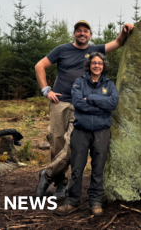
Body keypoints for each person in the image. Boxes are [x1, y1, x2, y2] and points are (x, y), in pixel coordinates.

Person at [34, 20, 133, 199]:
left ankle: (47, 174)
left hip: (81, 105)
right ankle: (60, 184)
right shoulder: (62, 50)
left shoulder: (94, 52)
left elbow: (118, 42)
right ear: (74, 34)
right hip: (59, 102)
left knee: (71, 144)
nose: (82, 33)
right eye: (78, 31)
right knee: (56, 142)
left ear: (90, 35)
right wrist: (46, 90)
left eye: (85, 31)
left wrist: (125, 30)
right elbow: (39, 66)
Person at [55, 52, 118, 216]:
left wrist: (89, 97)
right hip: (81, 131)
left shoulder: (109, 84)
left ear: (104, 66)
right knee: (77, 168)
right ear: (89, 65)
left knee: (98, 168)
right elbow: (77, 103)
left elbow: (113, 103)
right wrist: (100, 105)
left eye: (100, 63)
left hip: (102, 131)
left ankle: (95, 201)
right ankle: (72, 201)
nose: (97, 65)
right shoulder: (79, 82)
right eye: (94, 63)